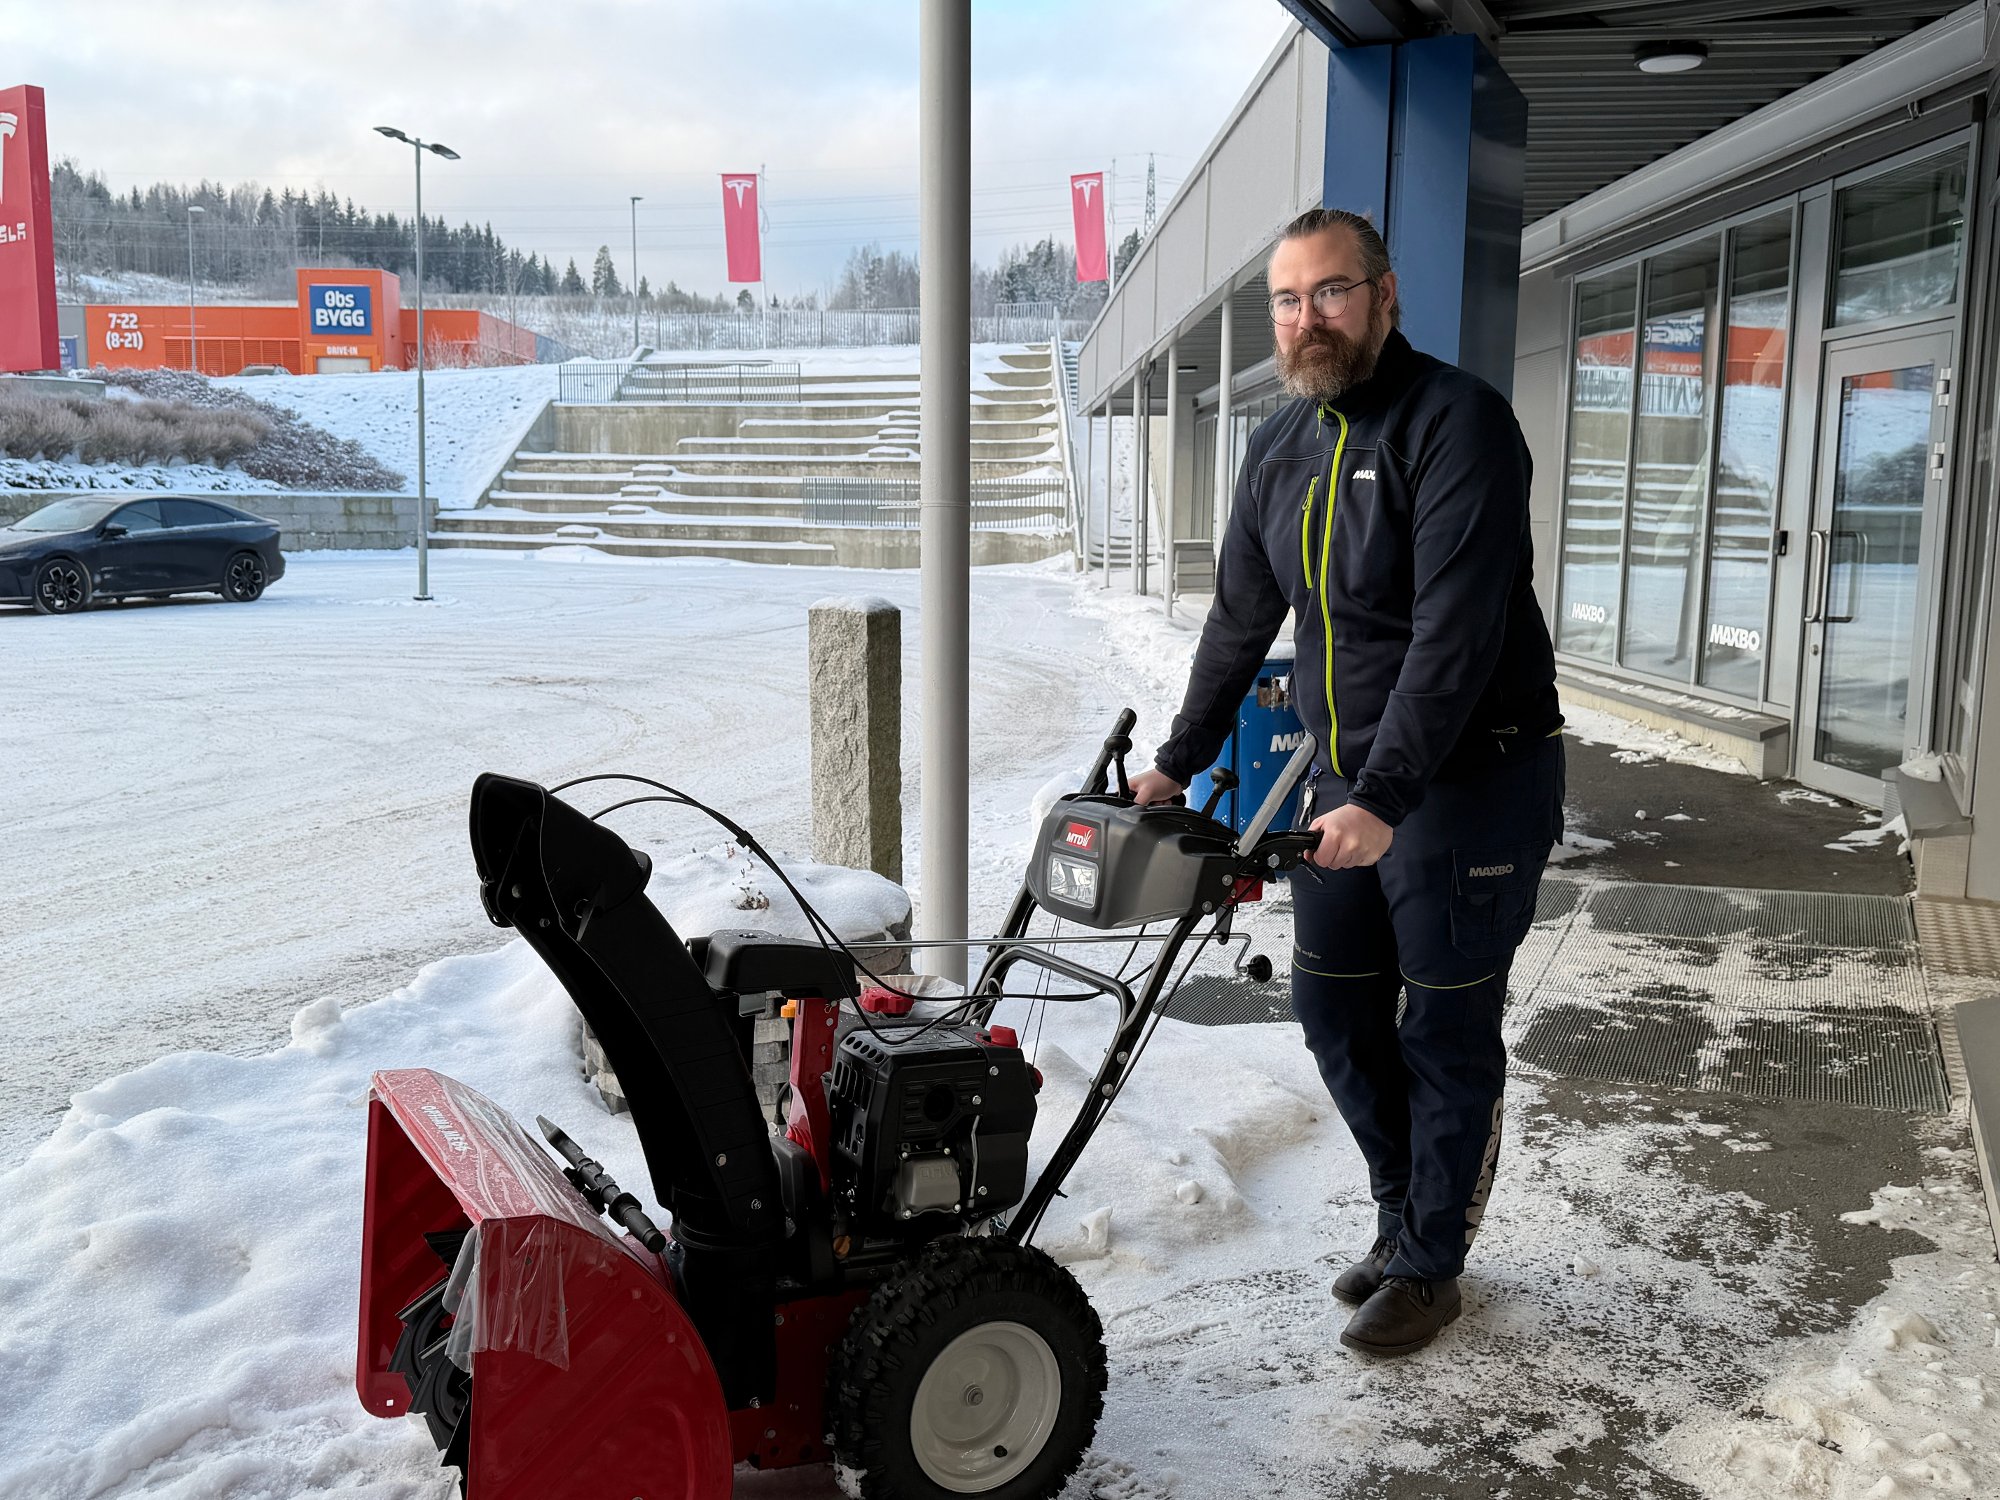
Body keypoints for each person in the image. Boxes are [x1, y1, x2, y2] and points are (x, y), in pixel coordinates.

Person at [1127, 208, 1563, 1358]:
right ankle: (1400, 1215)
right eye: (1286, 299)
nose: (1305, 317)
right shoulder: (1280, 448)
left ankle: (1429, 1262)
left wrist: (1383, 792)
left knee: (1444, 1028)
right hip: (1348, 785)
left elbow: (1454, 631)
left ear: (1383, 295)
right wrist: (1176, 759)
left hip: (1468, 779)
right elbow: (1239, 620)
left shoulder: (1455, 422)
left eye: (1328, 291)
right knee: (1332, 1009)